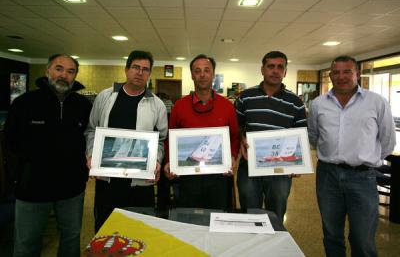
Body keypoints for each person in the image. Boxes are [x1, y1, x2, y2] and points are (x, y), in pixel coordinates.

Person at [4, 54, 92, 257]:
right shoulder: (24, 103)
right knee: (27, 243)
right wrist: (20, 176)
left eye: (70, 71)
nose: (64, 75)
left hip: (71, 188)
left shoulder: (83, 106)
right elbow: (10, 143)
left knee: (71, 239)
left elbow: (91, 139)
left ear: (75, 75)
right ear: (47, 71)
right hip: (32, 188)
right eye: (59, 69)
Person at [308, 55, 396, 257]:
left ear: (357, 73)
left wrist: (365, 159)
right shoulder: (318, 104)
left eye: (347, 71)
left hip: (363, 177)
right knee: (331, 234)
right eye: (336, 72)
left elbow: (388, 141)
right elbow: (313, 136)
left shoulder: (377, 102)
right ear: (330, 76)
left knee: (362, 238)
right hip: (327, 176)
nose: (341, 76)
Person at [85, 50, 168, 232]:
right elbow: (92, 130)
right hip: (107, 180)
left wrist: (157, 160)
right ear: (126, 70)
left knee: (138, 232)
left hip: (139, 183)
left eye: (145, 69)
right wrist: (92, 154)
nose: (140, 72)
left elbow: (161, 139)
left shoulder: (157, 104)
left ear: (149, 74)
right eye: (136, 67)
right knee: (105, 230)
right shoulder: (105, 97)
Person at [235, 51, 306, 223]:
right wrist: (241, 139)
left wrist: (299, 163)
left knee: (276, 214)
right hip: (250, 165)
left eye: (280, 67)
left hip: (280, 170)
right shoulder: (245, 97)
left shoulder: (295, 102)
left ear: (285, 72)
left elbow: (301, 135)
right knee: (250, 214)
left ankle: (272, 247)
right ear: (262, 69)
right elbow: (237, 127)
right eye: (271, 66)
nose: (275, 71)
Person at [164, 54, 240, 210]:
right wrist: (169, 162)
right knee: (188, 220)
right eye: (197, 71)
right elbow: (170, 138)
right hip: (187, 178)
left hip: (219, 177)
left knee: (218, 219)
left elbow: (234, 136)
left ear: (213, 74)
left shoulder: (227, 106)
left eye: (207, 70)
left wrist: (231, 157)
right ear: (192, 75)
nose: (202, 75)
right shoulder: (179, 106)